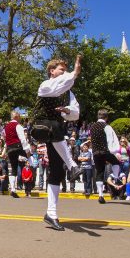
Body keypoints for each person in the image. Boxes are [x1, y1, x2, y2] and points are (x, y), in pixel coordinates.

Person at [30, 55, 82, 231]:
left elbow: (75, 114)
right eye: (61, 69)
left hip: (56, 133)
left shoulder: (68, 92)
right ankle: (72, 165)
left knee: (57, 171)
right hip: (40, 126)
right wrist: (74, 73)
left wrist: (67, 110)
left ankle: (51, 214)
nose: (64, 73)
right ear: (52, 71)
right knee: (54, 126)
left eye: (66, 70)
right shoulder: (45, 85)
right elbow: (57, 87)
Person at [89, 109, 122, 204]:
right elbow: (111, 140)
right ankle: (116, 178)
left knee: (99, 172)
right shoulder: (107, 126)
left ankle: (100, 195)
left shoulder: (92, 127)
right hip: (105, 151)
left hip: (95, 152)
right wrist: (115, 152)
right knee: (116, 162)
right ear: (106, 117)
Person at [3, 111, 30, 198]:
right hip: (18, 147)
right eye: (19, 117)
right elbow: (22, 138)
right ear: (16, 117)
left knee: (13, 169)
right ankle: (28, 188)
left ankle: (13, 189)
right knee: (30, 161)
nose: (20, 119)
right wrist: (27, 151)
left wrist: (6, 150)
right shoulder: (18, 126)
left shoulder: (6, 127)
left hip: (10, 149)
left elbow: (6, 139)